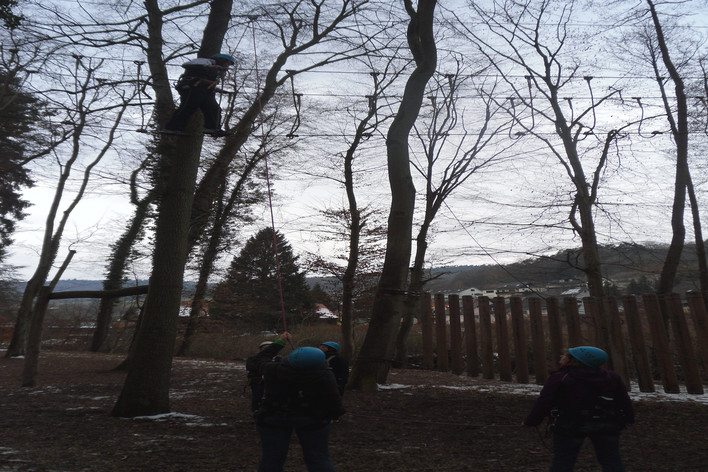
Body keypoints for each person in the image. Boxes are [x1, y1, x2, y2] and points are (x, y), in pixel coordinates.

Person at [523, 346, 635, 472]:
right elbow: (623, 400)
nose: (563, 357)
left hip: (570, 425)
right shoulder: (611, 377)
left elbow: (544, 402)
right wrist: (629, 418)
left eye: (568, 356)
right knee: (612, 461)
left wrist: (532, 421)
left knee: (563, 462)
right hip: (606, 423)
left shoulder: (560, 378)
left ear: (574, 360)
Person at [251, 332, 345, 472]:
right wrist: (334, 413)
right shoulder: (324, 375)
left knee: (272, 458)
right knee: (319, 458)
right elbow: (334, 400)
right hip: (313, 418)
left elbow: (260, 358)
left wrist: (280, 342)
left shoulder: (273, 370)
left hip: (275, 417)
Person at [163, 53, 235, 136]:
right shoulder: (205, 61)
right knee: (188, 107)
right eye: (227, 63)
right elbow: (187, 65)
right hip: (191, 87)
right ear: (221, 60)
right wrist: (211, 67)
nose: (227, 66)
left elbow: (210, 82)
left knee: (214, 108)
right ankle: (172, 128)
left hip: (204, 89)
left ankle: (212, 127)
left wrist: (219, 89)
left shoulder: (217, 71)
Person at [245, 340, 283, 413]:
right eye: (265, 348)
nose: (267, 349)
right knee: (257, 397)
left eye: (269, 348)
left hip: (273, 382)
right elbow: (250, 367)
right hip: (257, 381)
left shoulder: (278, 359)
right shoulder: (253, 358)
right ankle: (256, 411)